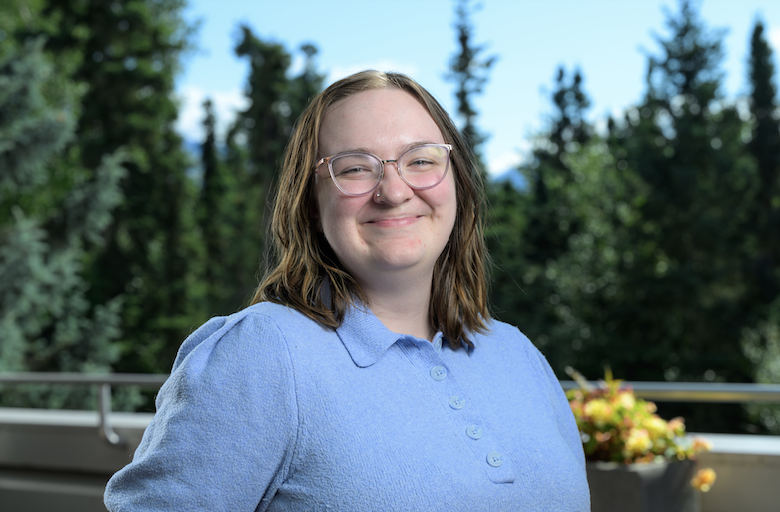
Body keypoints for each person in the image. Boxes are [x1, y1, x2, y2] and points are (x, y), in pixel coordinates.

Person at [104, 70, 590, 511]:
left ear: (456, 182)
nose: (394, 190)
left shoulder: (516, 353)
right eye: (356, 168)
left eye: (420, 160)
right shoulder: (263, 354)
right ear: (311, 203)